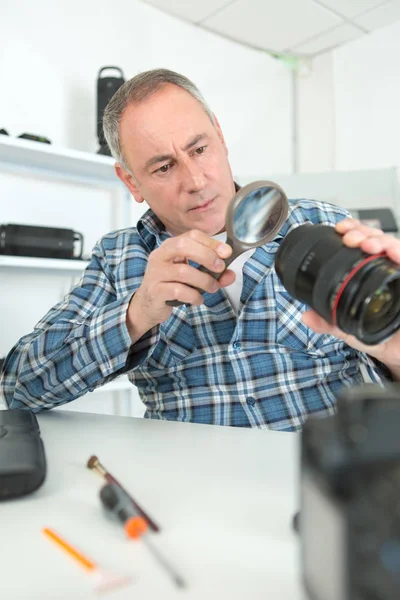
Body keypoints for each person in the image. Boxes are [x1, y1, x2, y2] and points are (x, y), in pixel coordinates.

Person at [1, 68, 399, 430]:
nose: (194, 180)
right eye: (163, 167)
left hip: (333, 480)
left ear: (220, 137)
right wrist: (137, 312)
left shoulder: (320, 222)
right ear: (131, 182)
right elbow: (20, 387)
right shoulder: (119, 259)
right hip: (193, 494)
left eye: (199, 149)